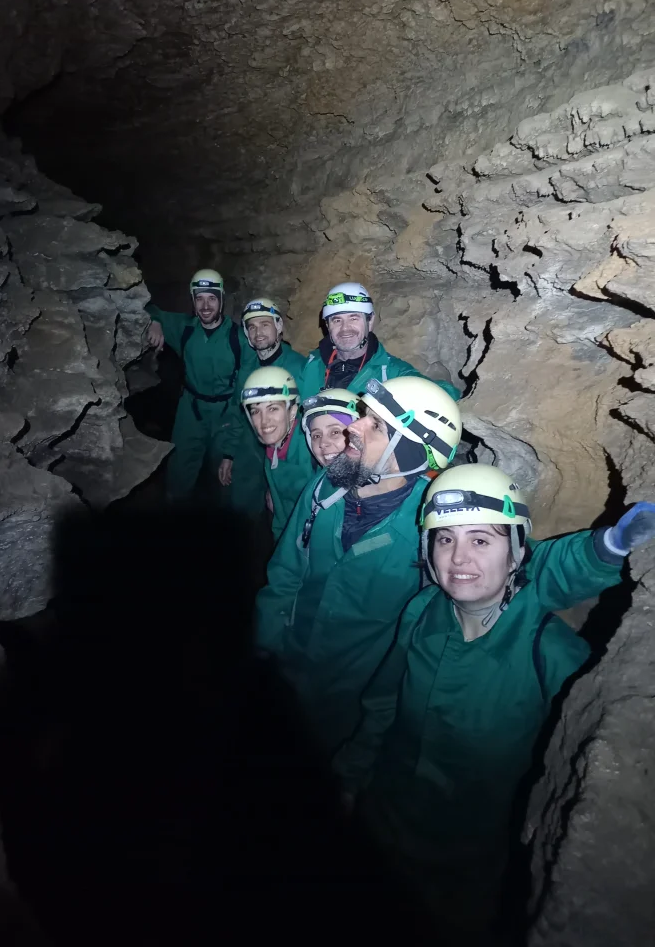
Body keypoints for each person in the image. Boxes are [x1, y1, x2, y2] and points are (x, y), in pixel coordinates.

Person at [351, 464, 655, 940]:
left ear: (515, 553)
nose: (458, 557)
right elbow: (381, 708)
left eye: (481, 539)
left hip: (466, 867)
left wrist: (610, 546)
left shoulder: (551, 654)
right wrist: (350, 779)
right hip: (383, 823)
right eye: (445, 539)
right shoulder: (421, 613)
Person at [255, 375, 462, 773]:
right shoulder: (325, 487)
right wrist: (265, 650)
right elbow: (285, 574)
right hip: (288, 662)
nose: (354, 426)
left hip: (351, 696)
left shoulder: (435, 528)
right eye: (363, 415)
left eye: (375, 424)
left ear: (412, 451)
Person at [146, 269, 255, 503]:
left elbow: (244, 395)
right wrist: (155, 322)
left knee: (224, 475)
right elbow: (146, 307)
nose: (206, 306)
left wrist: (231, 450)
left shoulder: (239, 338)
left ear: (221, 300)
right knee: (179, 470)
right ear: (193, 301)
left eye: (212, 298)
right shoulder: (184, 327)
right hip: (191, 408)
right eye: (199, 298)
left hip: (227, 410)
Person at [298, 282, 460, 401]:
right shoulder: (310, 366)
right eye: (336, 320)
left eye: (354, 318)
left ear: (370, 321)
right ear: (327, 325)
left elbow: (445, 394)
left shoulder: (391, 372)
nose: (345, 328)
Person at [217, 298, 306, 518]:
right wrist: (229, 454)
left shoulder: (300, 369)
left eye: (265, 324)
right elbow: (237, 416)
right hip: (250, 449)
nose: (258, 332)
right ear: (246, 334)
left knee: (283, 514)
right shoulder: (247, 369)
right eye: (252, 327)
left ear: (278, 327)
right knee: (242, 511)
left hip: (289, 457)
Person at [240, 365, 314, 542]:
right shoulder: (274, 443)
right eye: (256, 411)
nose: (264, 421)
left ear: (292, 411)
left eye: (273, 408)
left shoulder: (312, 449)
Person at [300, 388, 361, 469]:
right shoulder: (319, 482)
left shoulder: (382, 481)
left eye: (335, 432)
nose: (322, 444)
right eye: (316, 436)